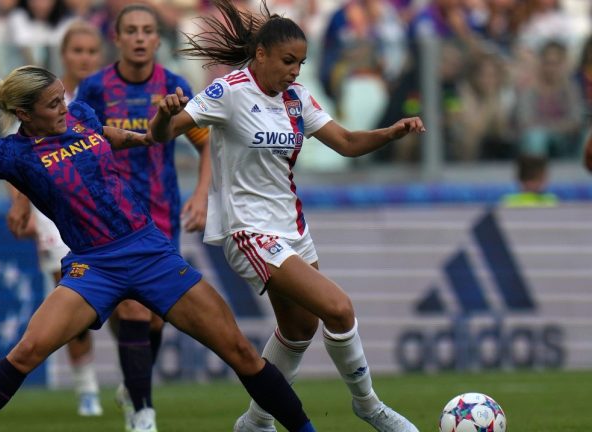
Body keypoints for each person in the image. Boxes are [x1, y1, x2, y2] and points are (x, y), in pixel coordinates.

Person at [0, 65, 319, 432]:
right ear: (24, 114)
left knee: (239, 350)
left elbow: (102, 133)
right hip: (94, 266)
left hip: (149, 251)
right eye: (52, 103)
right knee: (27, 351)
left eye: (62, 97)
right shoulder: (11, 154)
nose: (64, 107)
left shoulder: (79, 115)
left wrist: (145, 138)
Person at [149, 1, 425, 431]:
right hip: (249, 231)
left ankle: (257, 420)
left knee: (300, 328)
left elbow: (347, 142)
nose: (295, 71)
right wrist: (164, 117)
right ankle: (368, 405)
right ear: (260, 55)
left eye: (300, 63)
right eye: (287, 61)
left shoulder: (296, 98)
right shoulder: (230, 92)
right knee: (338, 308)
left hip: (292, 227)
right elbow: (167, 132)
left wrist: (390, 132)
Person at [73, 5, 210, 430]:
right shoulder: (94, 89)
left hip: (161, 213)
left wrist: (202, 195)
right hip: (111, 218)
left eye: (147, 31)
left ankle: (134, 384)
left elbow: (207, 145)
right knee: (131, 308)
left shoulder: (174, 85)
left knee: (155, 313)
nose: (138, 37)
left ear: (156, 40)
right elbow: (77, 147)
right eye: (130, 30)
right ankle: (143, 413)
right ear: (117, 38)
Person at [5, 19, 104, 417]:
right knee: (73, 298)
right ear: (64, 54)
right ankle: (87, 388)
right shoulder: (42, 96)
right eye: (76, 50)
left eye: (90, 51)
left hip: (105, 208)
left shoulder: (105, 94)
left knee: (129, 306)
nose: (84, 57)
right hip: (55, 213)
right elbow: (16, 154)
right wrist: (19, 204)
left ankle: (135, 383)